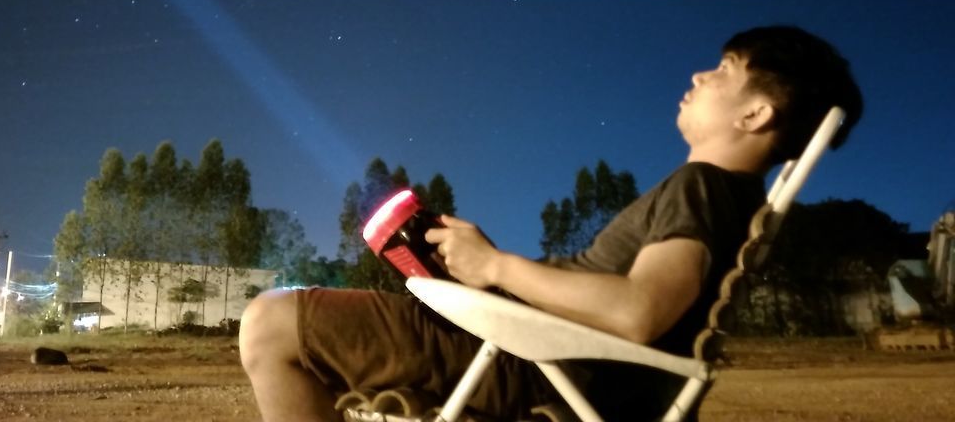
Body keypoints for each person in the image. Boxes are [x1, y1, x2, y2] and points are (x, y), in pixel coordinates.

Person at [240, 25, 863, 421]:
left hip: (537, 367)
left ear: (756, 112)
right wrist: (486, 275)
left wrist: (497, 266)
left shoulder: (702, 188)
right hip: (541, 348)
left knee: (270, 323)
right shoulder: (724, 197)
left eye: (725, 68)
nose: (700, 75)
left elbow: (638, 311)